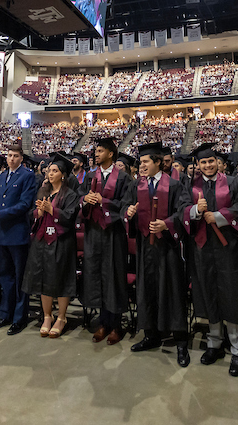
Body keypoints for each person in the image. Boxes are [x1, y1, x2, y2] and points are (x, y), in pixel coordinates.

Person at [185, 142, 238, 377]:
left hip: (230, 250)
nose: (207, 165)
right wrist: (195, 211)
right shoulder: (191, 185)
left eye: (210, 161)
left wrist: (218, 216)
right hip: (203, 250)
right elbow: (181, 210)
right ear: (198, 164)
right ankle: (214, 343)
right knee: (210, 294)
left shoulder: (234, 182)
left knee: (233, 296)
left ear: (218, 162)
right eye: (203, 162)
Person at [124, 142, 193, 367]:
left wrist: (167, 224)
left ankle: (181, 340)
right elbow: (127, 208)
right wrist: (129, 212)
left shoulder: (174, 184)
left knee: (172, 290)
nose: (141, 166)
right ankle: (151, 335)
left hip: (168, 247)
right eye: (140, 162)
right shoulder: (136, 185)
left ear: (157, 163)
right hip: (145, 247)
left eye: (145, 162)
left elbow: (183, 210)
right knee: (148, 289)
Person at [80, 137, 132, 344]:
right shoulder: (90, 176)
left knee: (114, 276)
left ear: (111, 154)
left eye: (100, 151)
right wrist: (86, 199)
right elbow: (79, 196)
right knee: (96, 275)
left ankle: (116, 325)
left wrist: (105, 201)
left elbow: (126, 204)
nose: (96, 154)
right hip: (93, 233)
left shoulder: (124, 179)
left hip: (114, 234)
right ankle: (103, 322)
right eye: (96, 151)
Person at [0, 145, 39, 334]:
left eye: (15, 156)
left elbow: (25, 204)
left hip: (17, 233)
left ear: (21, 158)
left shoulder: (27, 175)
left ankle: (19, 318)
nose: (11, 159)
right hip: (2, 233)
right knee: (5, 277)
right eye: (9, 155)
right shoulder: (2, 176)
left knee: (19, 278)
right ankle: (4, 314)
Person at [25, 154, 80, 338]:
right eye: (49, 170)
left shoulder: (70, 195)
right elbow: (33, 215)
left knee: (61, 278)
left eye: (54, 171)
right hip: (41, 242)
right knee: (42, 278)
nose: (50, 173)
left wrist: (52, 210)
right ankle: (47, 316)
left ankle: (61, 317)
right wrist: (39, 213)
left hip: (61, 242)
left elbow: (70, 218)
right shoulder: (43, 192)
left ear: (63, 175)